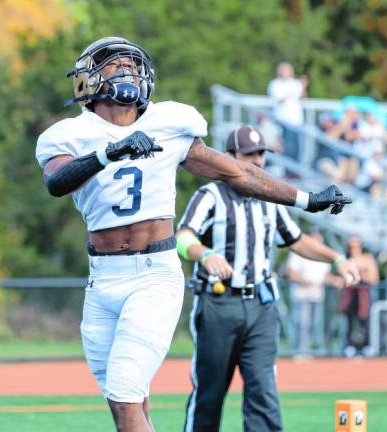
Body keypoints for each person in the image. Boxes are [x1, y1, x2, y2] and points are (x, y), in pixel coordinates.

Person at [35, 37, 352, 432]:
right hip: (101, 281)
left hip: (153, 274)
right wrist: (110, 153)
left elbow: (238, 172)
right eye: (116, 66)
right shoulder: (69, 134)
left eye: (133, 66)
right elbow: (57, 182)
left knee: (124, 391)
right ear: (89, 80)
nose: (128, 73)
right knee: (129, 403)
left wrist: (305, 199)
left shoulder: (168, 124)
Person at [176, 125, 359, 432]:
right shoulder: (210, 196)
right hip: (219, 305)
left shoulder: (270, 199)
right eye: (250, 154)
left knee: (263, 392)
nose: (258, 161)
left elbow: (296, 240)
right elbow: (182, 236)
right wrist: (205, 255)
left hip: (261, 307)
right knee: (210, 391)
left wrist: (336, 258)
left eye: (261, 153)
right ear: (229, 156)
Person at [286, 230, 343, 356]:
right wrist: (306, 282)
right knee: (302, 324)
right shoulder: (298, 253)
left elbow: (325, 276)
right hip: (301, 295)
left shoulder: (322, 256)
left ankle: (309, 350)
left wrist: (335, 280)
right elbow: (291, 272)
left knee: (313, 324)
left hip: (317, 295)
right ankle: (300, 350)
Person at [339, 236, 379, 358]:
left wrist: (359, 275)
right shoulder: (345, 260)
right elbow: (340, 279)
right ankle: (349, 346)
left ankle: (366, 346)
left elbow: (374, 278)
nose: (352, 249)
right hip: (350, 294)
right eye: (350, 247)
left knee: (365, 321)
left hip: (363, 294)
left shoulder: (367, 259)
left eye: (355, 247)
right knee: (349, 321)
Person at [267, 62, 308, 159]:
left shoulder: (296, 83)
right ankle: (287, 172)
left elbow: (303, 98)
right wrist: (292, 91)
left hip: (297, 121)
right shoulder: (275, 84)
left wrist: (303, 87)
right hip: (283, 120)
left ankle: (295, 172)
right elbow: (279, 99)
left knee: (297, 149)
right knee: (288, 148)